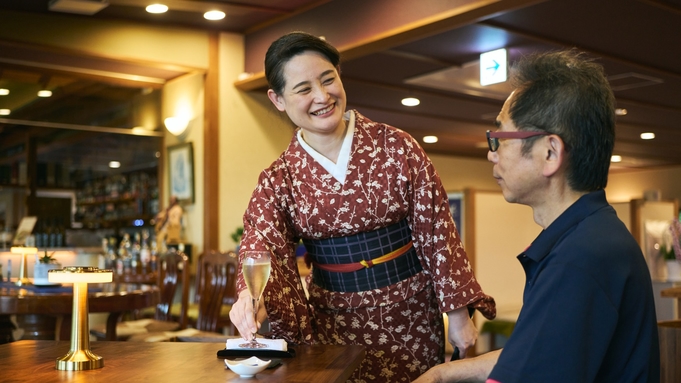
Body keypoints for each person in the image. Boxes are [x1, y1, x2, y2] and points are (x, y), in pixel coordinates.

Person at [229, 31, 496, 382]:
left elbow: (437, 232)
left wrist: (459, 316)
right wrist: (249, 295)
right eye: (304, 89)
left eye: (328, 80)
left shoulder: (397, 146)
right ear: (277, 99)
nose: (323, 97)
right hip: (334, 323)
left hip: (411, 314)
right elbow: (260, 240)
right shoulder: (279, 178)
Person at [414, 50, 660, 383]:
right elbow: (537, 351)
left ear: (549, 153)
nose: (491, 153)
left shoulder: (580, 259)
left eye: (499, 138)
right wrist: (444, 373)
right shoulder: (592, 236)